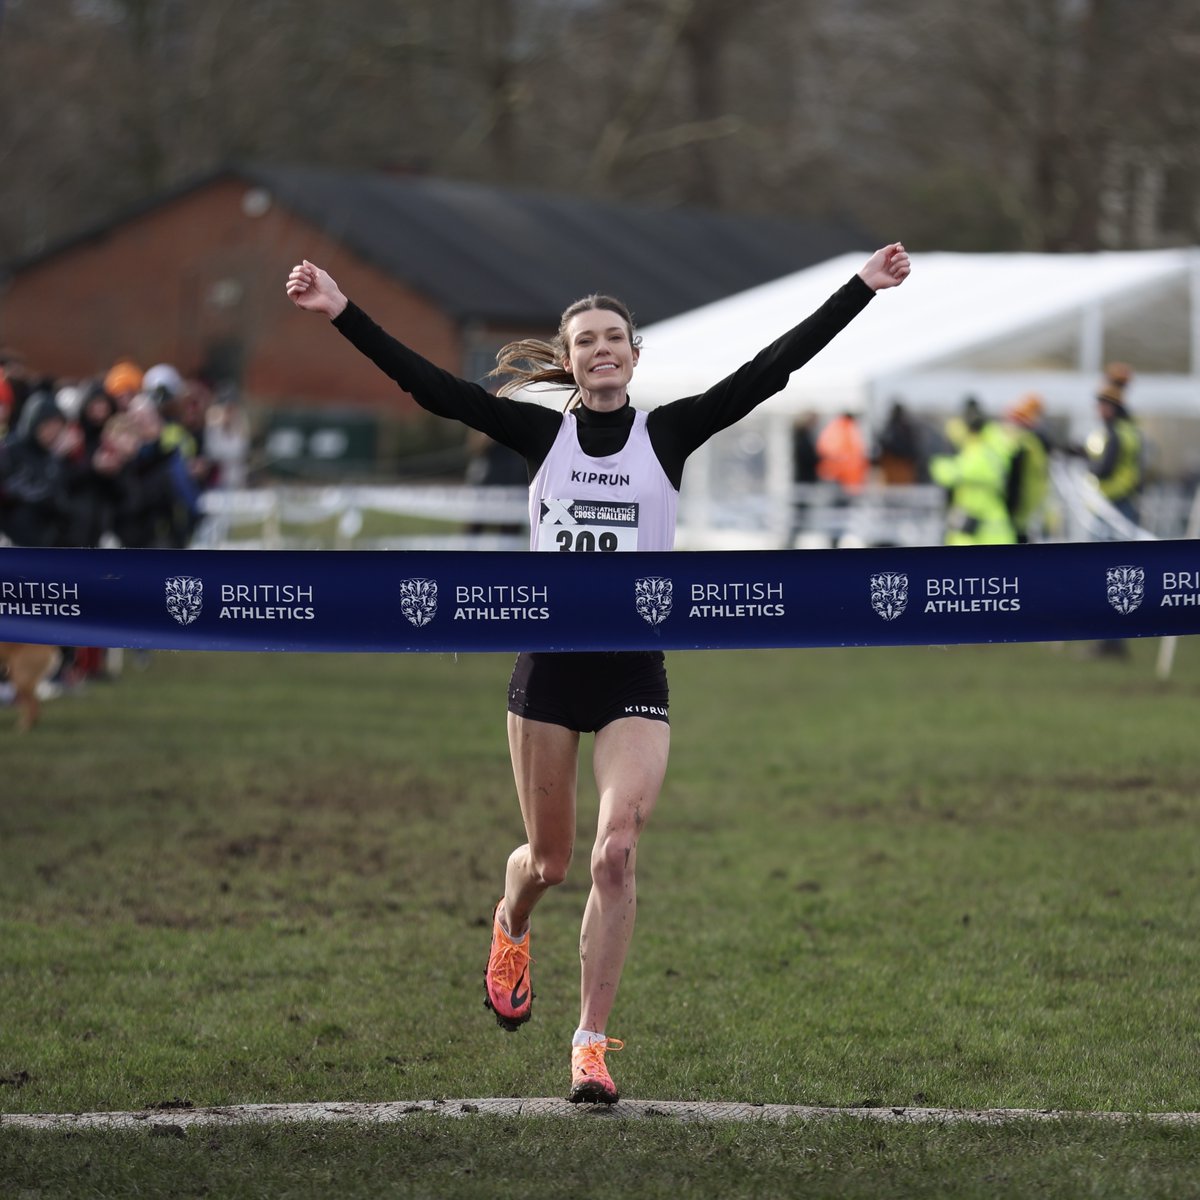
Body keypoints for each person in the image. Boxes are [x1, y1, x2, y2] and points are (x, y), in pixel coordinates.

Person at [285, 242, 911, 1104]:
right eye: (586, 340)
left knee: (615, 854)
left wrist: (861, 290)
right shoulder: (542, 432)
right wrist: (342, 309)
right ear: (570, 358)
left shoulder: (670, 431)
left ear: (635, 353)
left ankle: (589, 1046)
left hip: (631, 673)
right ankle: (510, 924)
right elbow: (433, 388)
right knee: (549, 863)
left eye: (614, 335)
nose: (602, 348)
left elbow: (774, 367)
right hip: (548, 670)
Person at [928, 402, 1016, 546]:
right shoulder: (992, 447)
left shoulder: (980, 453)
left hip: (983, 534)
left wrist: (935, 463)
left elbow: (951, 473)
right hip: (979, 529)